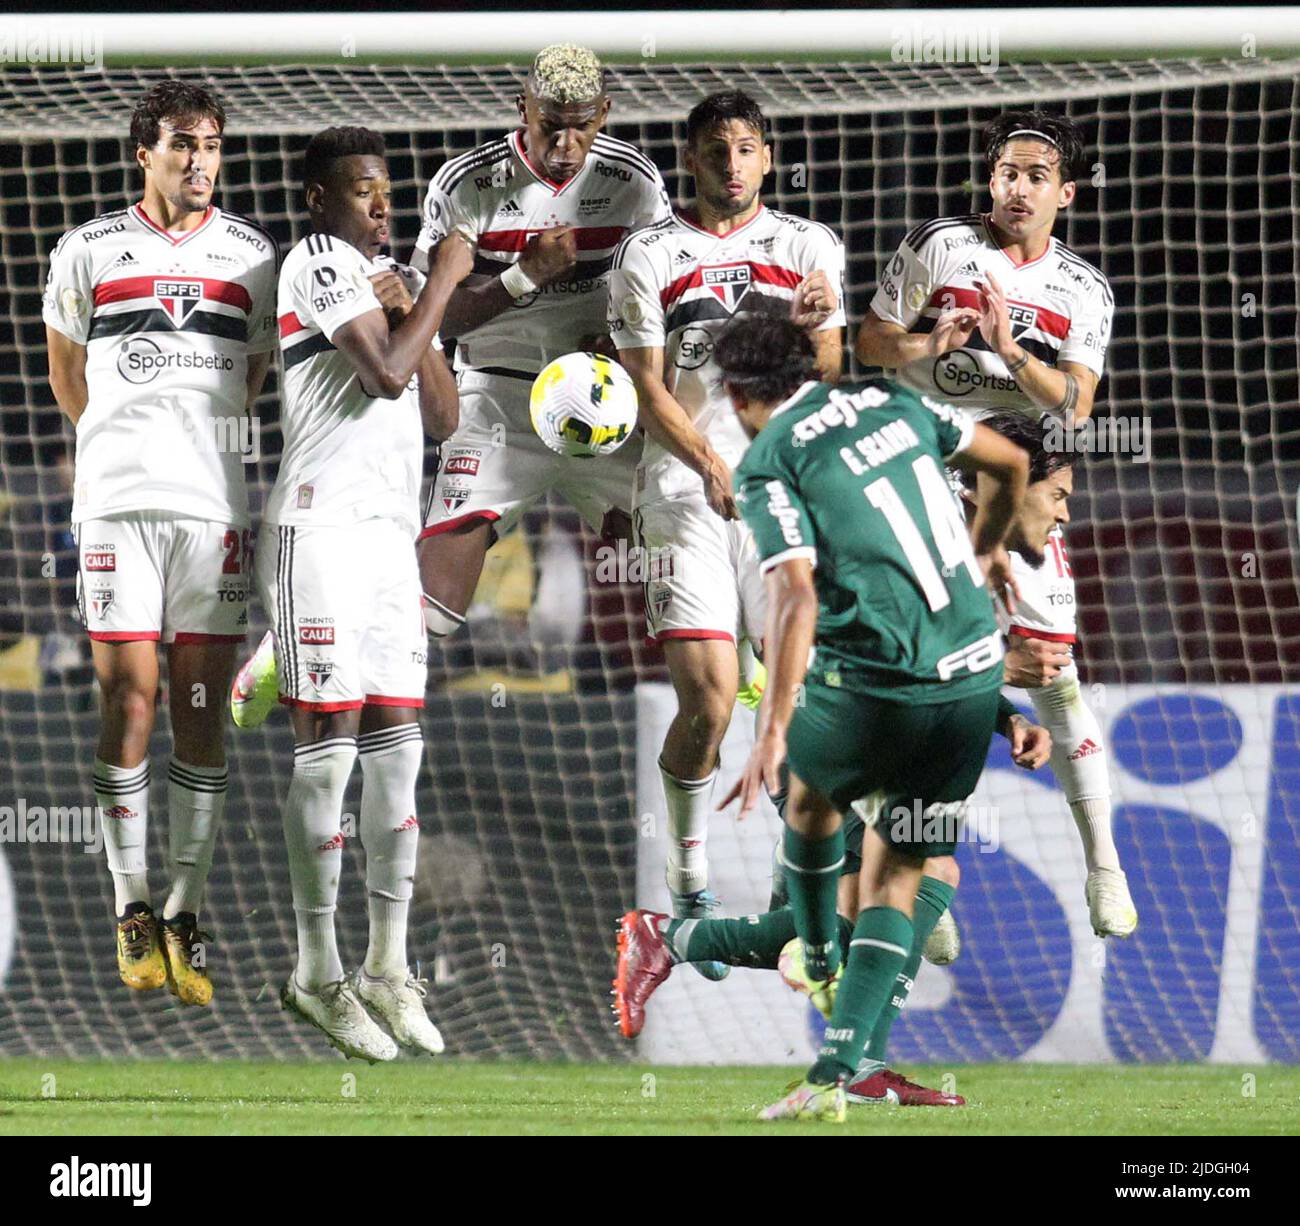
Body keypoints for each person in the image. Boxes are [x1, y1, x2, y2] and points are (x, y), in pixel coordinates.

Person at [716, 314, 1027, 1121]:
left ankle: (816, 951)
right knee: (903, 869)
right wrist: (988, 549)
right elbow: (1012, 460)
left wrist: (775, 726)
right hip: (971, 682)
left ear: (738, 394)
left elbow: (795, 594)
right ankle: (838, 1068)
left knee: (813, 801)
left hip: (882, 687)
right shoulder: (891, 401)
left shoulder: (767, 460)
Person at [855, 109, 1135, 938]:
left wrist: (1013, 351)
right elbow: (866, 342)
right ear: (991, 179)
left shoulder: (1083, 288)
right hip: (923, 471)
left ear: (1066, 193)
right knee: (925, 675)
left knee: (1051, 673)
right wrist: (923, 346)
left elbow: (1077, 405)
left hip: (1024, 479)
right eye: (1007, 172)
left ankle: (1104, 870)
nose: (1017, 188)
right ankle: (917, 872)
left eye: (1036, 176)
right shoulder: (940, 246)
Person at [43, 80, 277, 1007]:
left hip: (212, 508)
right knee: (128, 696)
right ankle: (130, 902)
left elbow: (252, 376)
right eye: (182, 143)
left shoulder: (253, 256)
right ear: (145, 151)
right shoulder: (88, 248)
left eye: (212, 144)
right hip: (116, 509)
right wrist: (118, 455)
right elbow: (67, 371)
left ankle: (186, 906)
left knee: (199, 708)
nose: (199, 160)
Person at [607, 90, 844, 973]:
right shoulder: (650, 253)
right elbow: (645, 387)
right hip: (683, 489)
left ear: (768, 157)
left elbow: (824, 370)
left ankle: (795, 879)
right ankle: (690, 882)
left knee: (809, 704)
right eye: (716, 151)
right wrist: (710, 461)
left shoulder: (809, 247)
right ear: (692, 161)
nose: (732, 164)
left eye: (746, 148)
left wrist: (818, 323)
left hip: (783, 488)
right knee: (709, 702)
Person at [260, 126, 469, 1061]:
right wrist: (442, 285)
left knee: (398, 756)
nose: (381, 205)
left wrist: (418, 300)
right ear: (319, 199)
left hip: (390, 543)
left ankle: (387, 965)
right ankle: (317, 971)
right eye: (361, 190)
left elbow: (440, 410)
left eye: (388, 191)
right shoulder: (314, 260)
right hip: (320, 531)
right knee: (330, 754)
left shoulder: (389, 287)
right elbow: (383, 375)